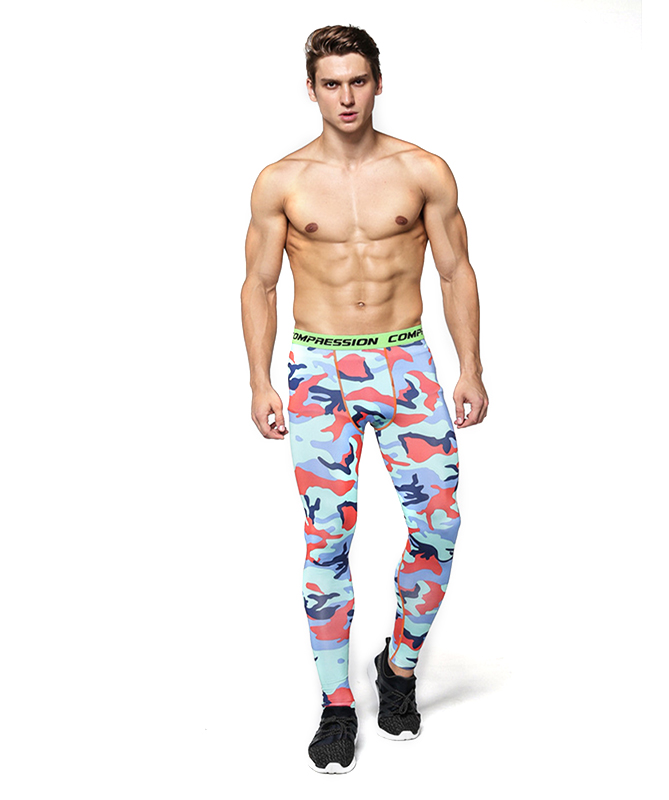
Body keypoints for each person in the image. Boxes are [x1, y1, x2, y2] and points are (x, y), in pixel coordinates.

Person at [240, 24, 488, 773]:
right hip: (318, 370)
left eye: (357, 81)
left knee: (438, 524)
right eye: (331, 83)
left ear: (377, 82)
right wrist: (259, 381)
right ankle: (337, 704)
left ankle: (399, 668)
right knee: (326, 539)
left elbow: (455, 270)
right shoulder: (281, 181)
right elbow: (258, 284)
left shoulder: (423, 170)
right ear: (311, 89)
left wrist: (470, 367)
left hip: (404, 361)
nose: (345, 97)